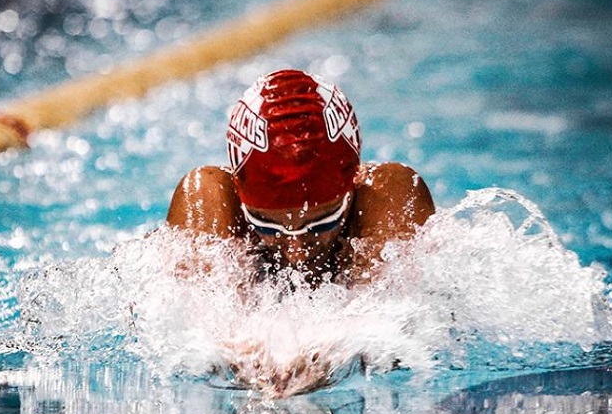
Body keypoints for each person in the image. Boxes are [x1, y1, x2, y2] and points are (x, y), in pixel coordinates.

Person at [166, 69, 435, 286]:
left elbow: (390, 337)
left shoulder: (390, 198)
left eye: (321, 222)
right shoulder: (208, 200)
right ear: (239, 193)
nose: (296, 251)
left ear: (352, 185)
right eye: (267, 225)